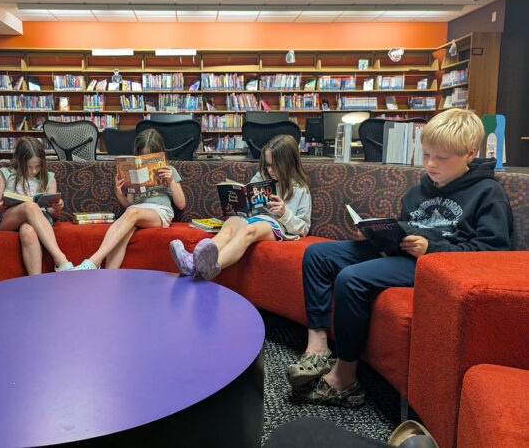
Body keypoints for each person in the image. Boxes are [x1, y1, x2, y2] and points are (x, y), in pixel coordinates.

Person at [288, 108, 513, 407]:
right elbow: (410, 224)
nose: (430, 164)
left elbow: (493, 254)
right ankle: (316, 350)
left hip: (435, 264)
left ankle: (346, 380)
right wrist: (382, 234)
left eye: (441, 158)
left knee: (351, 279)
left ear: (470, 154)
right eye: (426, 155)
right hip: (404, 251)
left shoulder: (488, 193)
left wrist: (432, 249)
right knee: (317, 254)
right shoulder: (419, 190)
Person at [170, 134, 311, 280]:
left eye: (275, 166)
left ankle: (211, 267)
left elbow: (304, 228)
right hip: (252, 218)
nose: (269, 170)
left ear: (288, 162)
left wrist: (284, 213)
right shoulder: (260, 177)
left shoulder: (300, 188)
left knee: (249, 230)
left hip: (276, 225)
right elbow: (248, 201)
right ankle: (192, 262)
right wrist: (238, 206)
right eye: (267, 165)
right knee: (229, 225)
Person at [71, 128, 186, 270]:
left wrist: (171, 182)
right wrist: (120, 194)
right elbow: (130, 205)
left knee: (132, 213)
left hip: (159, 212)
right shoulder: (134, 170)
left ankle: (94, 261)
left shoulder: (170, 170)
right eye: (143, 156)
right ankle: (108, 276)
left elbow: (181, 204)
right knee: (123, 234)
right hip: (136, 212)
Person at [0, 136, 73, 274]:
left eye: (38, 166)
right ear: (19, 161)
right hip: (10, 219)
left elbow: (52, 214)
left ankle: (36, 282)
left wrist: (56, 207)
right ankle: (60, 259)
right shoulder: (6, 174)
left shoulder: (49, 177)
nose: (34, 171)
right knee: (30, 206)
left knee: (28, 231)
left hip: (39, 221)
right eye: (29, 167)